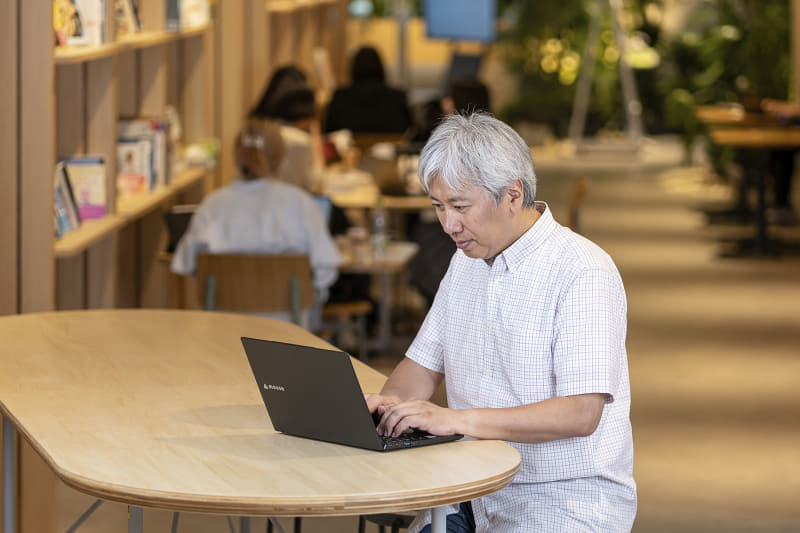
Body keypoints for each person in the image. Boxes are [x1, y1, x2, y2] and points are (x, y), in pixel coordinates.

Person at [366, 113, 636, 532]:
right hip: (471, 486)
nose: (448, 225)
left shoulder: (583, 271)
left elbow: (581, 413)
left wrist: (457, 420)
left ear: (513, 194)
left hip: (562, 495)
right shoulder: (465, 261)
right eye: (438, 206)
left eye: (460, 207)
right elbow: (421, 365)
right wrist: (390, 408)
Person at [170, 119, 341, 326]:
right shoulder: (300, 204)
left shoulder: (213, 204)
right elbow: (326, 272)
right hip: (289, 334)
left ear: (236, 157)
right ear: (281, 161)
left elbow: (185, 263)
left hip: (224, 333)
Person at [250, 66, 325, 193]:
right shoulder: (299, 141)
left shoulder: (254, 131)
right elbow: (317, 185)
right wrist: (315, 140)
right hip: (289, 210)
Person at [322, 46, 413, 134]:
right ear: (380, 67)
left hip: (350, 148)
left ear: (353, 68)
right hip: (392, 147)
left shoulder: (340, 96)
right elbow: (410, 130)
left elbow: (328, 132)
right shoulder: (397, 96)